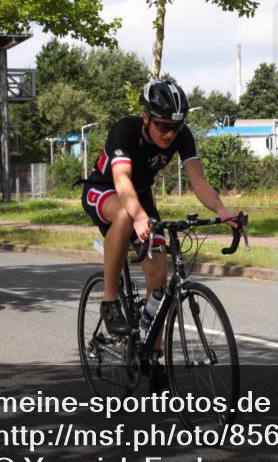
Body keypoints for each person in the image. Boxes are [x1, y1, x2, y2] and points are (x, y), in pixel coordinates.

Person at [82, 79, 238, 337]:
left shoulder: (181, 136)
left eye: (175, 128)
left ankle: (153, 355)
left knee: (159, 279)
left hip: (140, 197)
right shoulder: (125, 130)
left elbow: (198, 181)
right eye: (163, 126)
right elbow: (121, 179)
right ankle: (109, 302)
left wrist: (221, 210)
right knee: (124, 214)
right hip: (104, 190)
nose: (169, 134)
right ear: (146, 117)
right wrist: (139, 215)